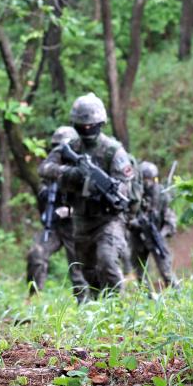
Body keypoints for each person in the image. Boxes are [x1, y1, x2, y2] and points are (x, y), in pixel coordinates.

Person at [38, 93, 134, 298]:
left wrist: (103, 190)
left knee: (107, 259)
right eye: (83, 126)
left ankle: (119, 306)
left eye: (92, 125)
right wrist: (71, 174)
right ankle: (98, 309)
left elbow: (125, 187)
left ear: (101, 123)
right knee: (87, 270)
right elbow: (45, 168)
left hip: (109, 219)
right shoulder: (71, 147)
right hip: (81, 220)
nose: (87, 129)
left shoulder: (113, 151)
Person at [27, 126, 88, 303]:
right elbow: (42, 185)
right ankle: (34, 298)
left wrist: (70, 211)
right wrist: (45, 195)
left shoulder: (81, 169)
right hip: (53, 226)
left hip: (75, 226)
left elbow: (90, 202)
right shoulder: (51, 169)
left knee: (78, 269)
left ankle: (85, 304)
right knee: (36, 254)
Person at [127, 161, 179, 289]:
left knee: (166, 271)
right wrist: (133, 223)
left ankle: (177, 295)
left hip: (155, 237)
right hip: (138, 238)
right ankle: (147, 297)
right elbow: (126, 213)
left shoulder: (162, 197)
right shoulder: (133, 194)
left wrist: (162, 234)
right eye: (145, 179)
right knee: (140, 273)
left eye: (151, 179)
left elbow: (170, 219)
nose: (148, 183)